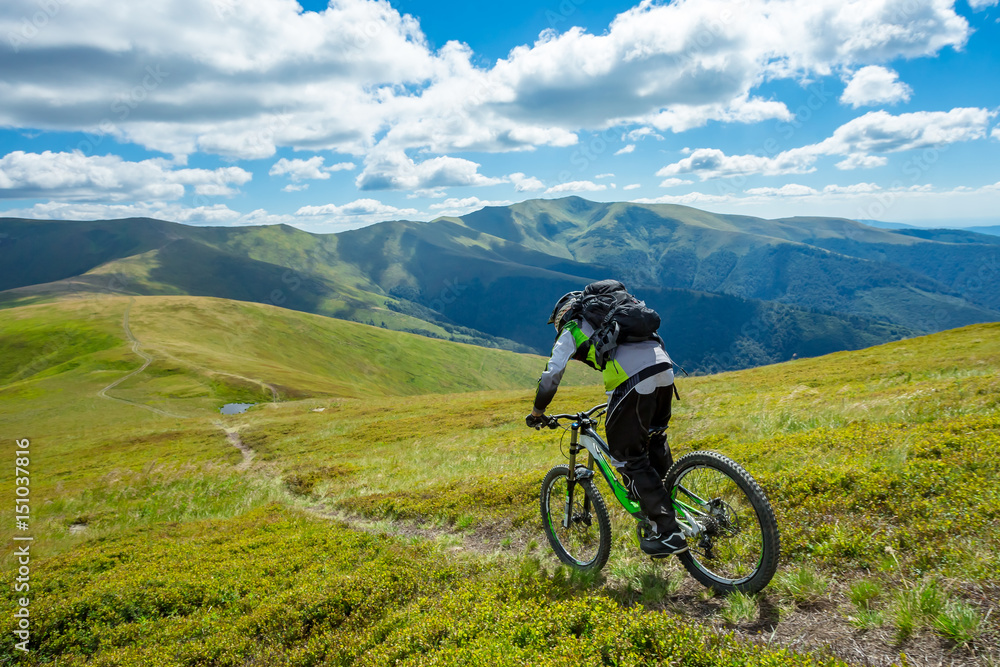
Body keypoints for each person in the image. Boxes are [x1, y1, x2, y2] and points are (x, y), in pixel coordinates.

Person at [525, 288, 687, 556]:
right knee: (654, 439)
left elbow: (551, 375)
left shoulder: (572, 327)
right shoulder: (618, 318)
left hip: (633, 380)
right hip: (665, 370)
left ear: (563, 314)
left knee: (628, 458)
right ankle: (671, 504)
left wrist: (537, 412)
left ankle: (669, 532)